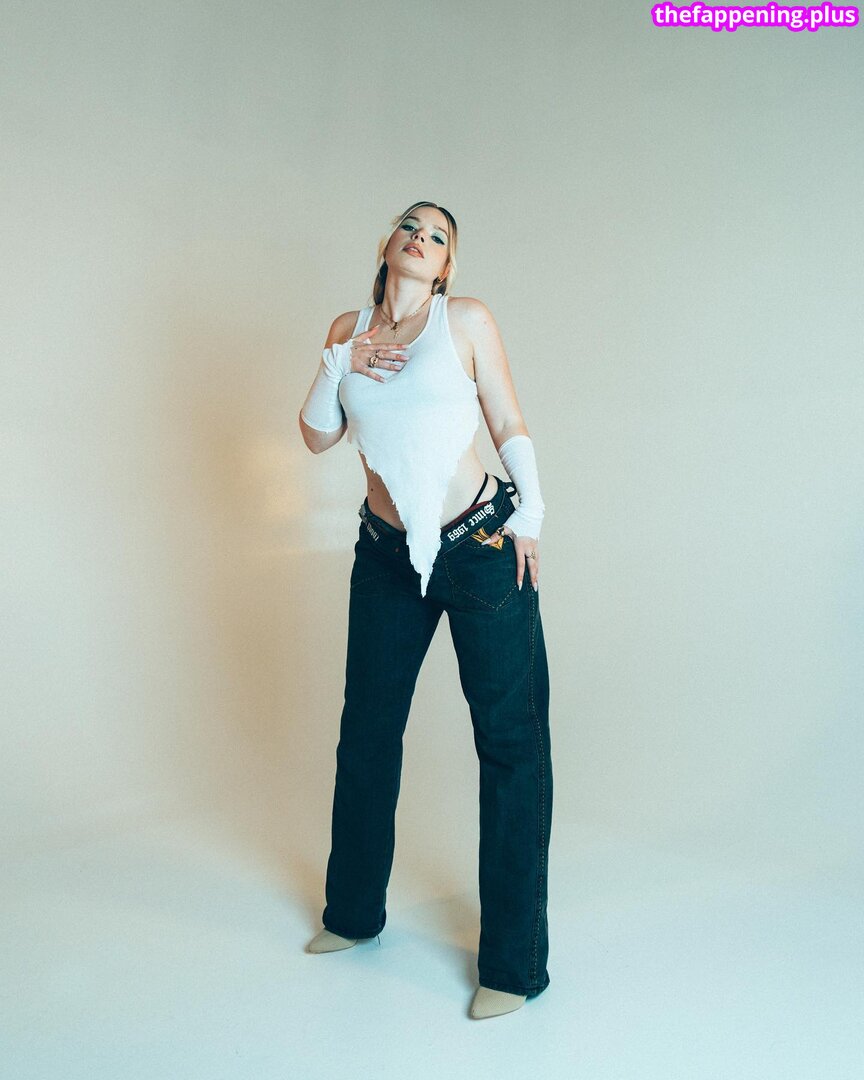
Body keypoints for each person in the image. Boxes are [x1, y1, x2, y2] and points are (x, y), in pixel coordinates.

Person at [298, 201, 552, 1020]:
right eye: (411, 225)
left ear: (445, 268)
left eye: (438, 236)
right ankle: (352, 914)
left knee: (511, 744)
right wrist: (338, 361)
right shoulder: (348, 330)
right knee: (367, 733)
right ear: (387, 245)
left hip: (477, 544)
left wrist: (531, 513)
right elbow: (317, 435)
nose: (420, 237)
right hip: (385, 557)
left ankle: (513, 965)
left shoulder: (465, 321)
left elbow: (506, 419)